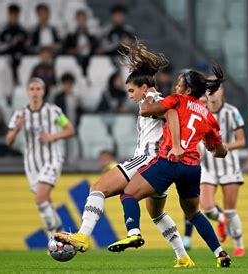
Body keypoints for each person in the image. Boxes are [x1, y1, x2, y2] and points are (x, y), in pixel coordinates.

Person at [54, 40, 193, 268]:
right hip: (162, 165)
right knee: (157, 213)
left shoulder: (153, 100)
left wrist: (177, 145)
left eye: (131, 91)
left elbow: (170, 115)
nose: (130, 96)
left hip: (147, 159)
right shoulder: (155, 100)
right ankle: (183, 257)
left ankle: (83, 235)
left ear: (144, 88)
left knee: (97, 187)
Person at [108, 61, 233, 268]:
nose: (176, 86)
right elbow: (220, 151)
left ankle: (134, 233)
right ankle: (220, 253)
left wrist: (148, 93)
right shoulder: (208, 116)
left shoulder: (177, 100)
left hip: (169, 161)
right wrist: (211, 146)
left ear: (188, 89)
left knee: (129, 194)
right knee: (194, 213)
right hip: (192, 167)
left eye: (179, 83)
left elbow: (146, 111)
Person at [182, 82, 246, 257]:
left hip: (229, 166)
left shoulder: (232, 112)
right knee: (207, 206)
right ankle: (220, 219)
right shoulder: (200, 112)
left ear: (222, 91)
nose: (212, 94)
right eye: (208, 91)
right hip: (208, 167)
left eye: (215, 90)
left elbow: (242, 141)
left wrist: (222, 147)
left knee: (231, 209)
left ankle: (239, 245)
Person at [6, 77, 75, 235]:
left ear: (43, 91)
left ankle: (54, 235)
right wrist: (16, 129)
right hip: (31, 163)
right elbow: (8, 141)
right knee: (45, 201)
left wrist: (52, 137)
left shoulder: (54, 111)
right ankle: (61, 233)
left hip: (52, 159)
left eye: (38, 89)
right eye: (32, 89)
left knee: (40, 198)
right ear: (27, 92)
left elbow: (69, 129)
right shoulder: (20, 114)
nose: (35, 92)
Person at [0, 3, 29, 84]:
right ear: (8, 15)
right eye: (12, 15)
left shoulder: (23, 31)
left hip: (20, 56)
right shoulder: (3, 31)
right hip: (6, 55)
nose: (14, 17)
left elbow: (27, 46)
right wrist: (11, 43)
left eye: (15, 15)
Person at [63, 10, 98, 76]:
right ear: (76, 20)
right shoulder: (70, 37)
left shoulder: (92, 37)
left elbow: (97, 49)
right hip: (75, 60)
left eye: (83, 19)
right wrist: (75, 50)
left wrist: (90, 47)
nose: (81, 21)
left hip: (89, 60)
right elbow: (65, 50)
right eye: (79, 19)